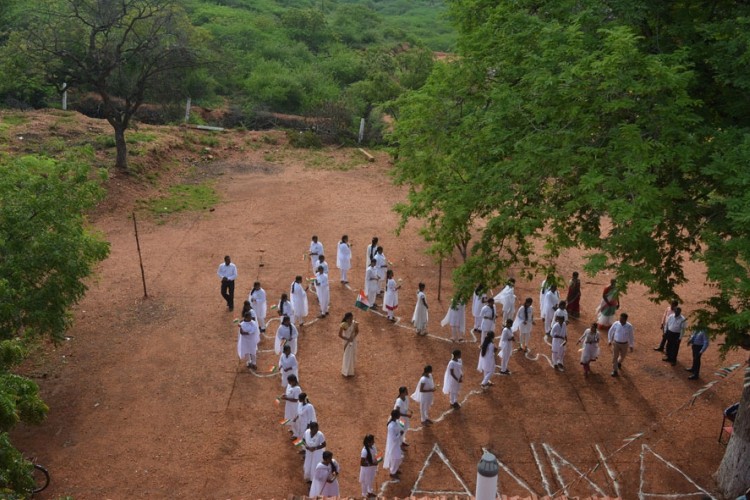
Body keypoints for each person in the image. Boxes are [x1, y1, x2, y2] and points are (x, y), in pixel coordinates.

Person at [608, 312, 634, 377]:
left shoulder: (629, 326)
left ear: (626, 319)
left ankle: (619, 362)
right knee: (615, 357)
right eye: (620, 318)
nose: (620, 320)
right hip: (616, 343)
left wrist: (631, 345)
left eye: (622, 319)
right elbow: (610, 331)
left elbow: (631, 336)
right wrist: (609, 340)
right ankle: (615, 370)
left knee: (622, 357)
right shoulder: (616, 324)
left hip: (625, 344)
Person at [383, 409, 404, 478]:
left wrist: (402, 428)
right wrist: (400, 434)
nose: (400, 415)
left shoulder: (396, 421)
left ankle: (395, 469)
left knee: (398, 457)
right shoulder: (391, 426)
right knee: (396, 458)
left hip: (396, 443)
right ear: (396, 416)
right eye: (399, 414)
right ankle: (392, 472)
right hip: (393, 445)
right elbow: (393, 438)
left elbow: (401, 424)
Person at [338, 312, 359, 377]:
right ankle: (345, 371)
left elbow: (357, 331)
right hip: (346, 341)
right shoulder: (343, 325)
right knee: (347, 355)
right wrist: (347, 339)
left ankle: (351, 370)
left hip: (353, 341)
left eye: (351, 318)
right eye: (349, 318)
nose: (351, 319)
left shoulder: (354, 323)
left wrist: (353, 337)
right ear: (346, 319)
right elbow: (340, 335)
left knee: (352, 354)